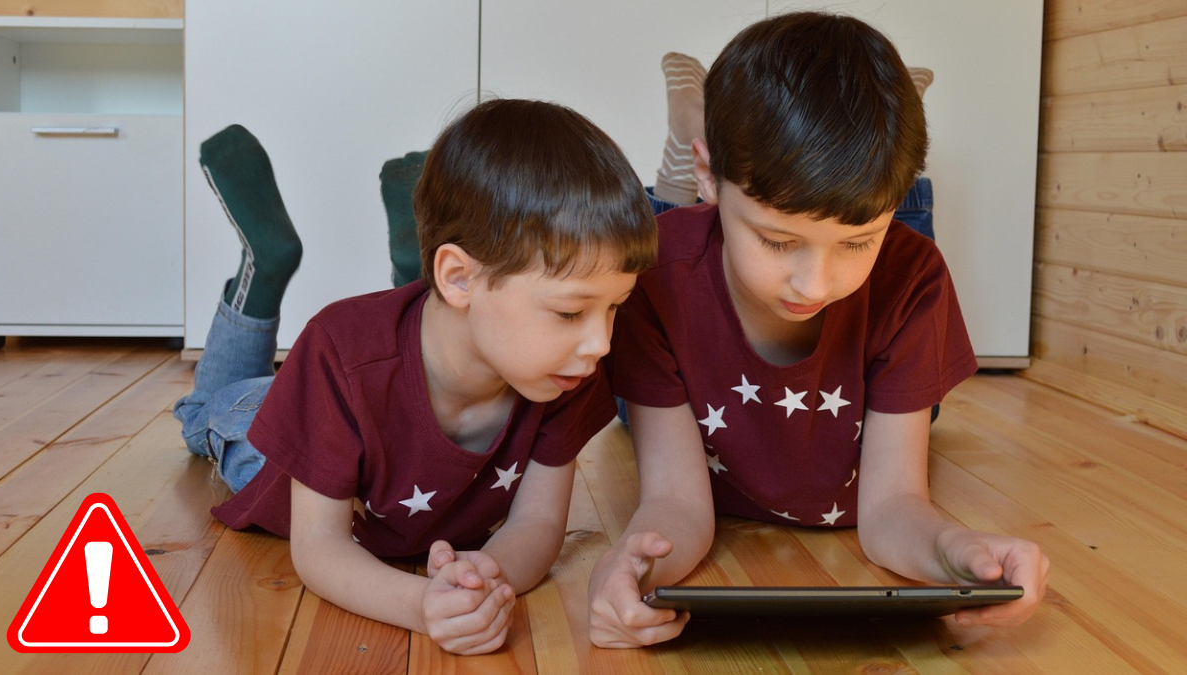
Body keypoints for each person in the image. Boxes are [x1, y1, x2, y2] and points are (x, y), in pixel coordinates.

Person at [588, 12, 1050, 648]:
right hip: (684, 331)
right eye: (778, 240)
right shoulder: (657, 279)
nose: (813, 284)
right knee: (646, 233)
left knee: (898, 228)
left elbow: (889, 508)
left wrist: (957, 549)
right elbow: (678, 502)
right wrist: (637, 567)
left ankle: (874, 151)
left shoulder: (910, 279)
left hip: (846, 361)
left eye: (857, 241)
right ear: (713, 176)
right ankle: (689, 145)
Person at [172, 99, 659, 655]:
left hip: (402, 374)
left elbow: (540, 523)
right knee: (206, 411)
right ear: (461, 278)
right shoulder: (338, 351)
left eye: (616, 307)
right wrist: (421, 605)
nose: (601, 343)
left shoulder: (565, 368)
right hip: (281, 432)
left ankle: (413, 276)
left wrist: (480, 580)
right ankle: (264, 264)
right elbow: (318, 545)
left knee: (405, 354)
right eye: (571, 312)